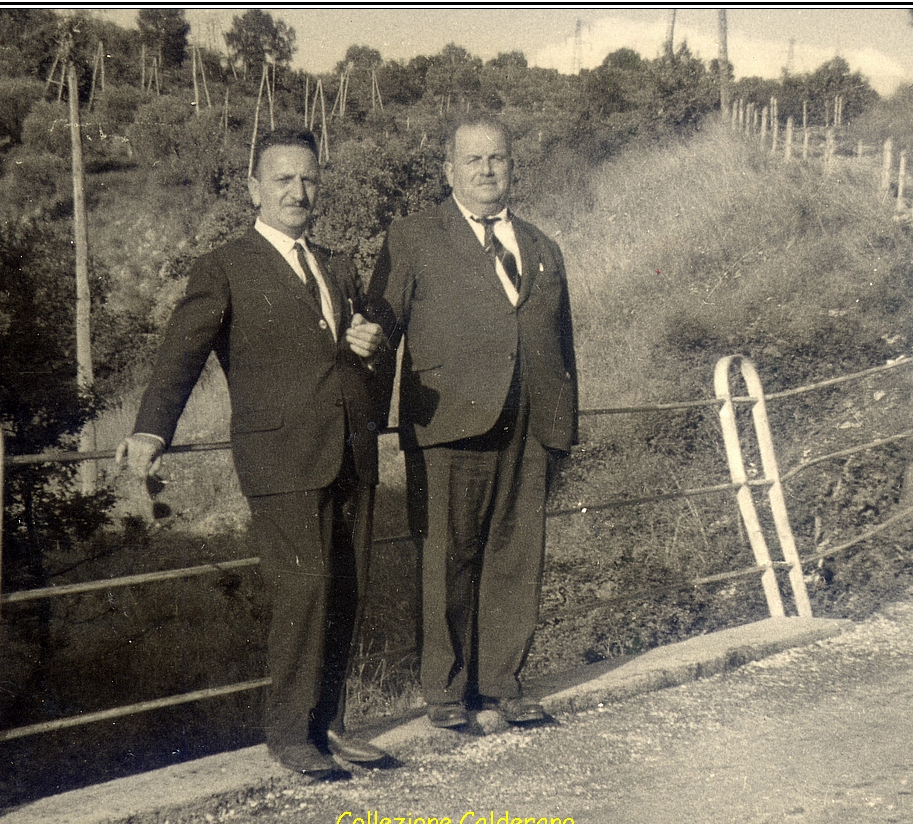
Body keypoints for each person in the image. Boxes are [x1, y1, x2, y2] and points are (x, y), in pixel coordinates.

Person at [116, 129, 391, 781]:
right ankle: (289, 733)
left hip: (351, 449)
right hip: (281, 458)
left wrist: (369, 341)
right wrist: (153, 429)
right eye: (284, 180)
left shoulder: (334, 263)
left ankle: (328, 726)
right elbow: (181, 353)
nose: (299, 192)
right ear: (254, 190)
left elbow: (353, 351)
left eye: (310, 180)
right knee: (304, 587)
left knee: (346, 591)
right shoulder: (225, 265)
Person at [365, 117, 578, 729]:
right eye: (474, 160)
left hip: (530, 427)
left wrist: (563, 426)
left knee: (516, 557)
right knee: (447, 561)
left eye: (499, 159)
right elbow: (380, 332)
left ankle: (503, 683)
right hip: (448, 427)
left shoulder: (540, 246)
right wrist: (369, 428)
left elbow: (560, 343)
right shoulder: (412, 238)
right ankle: (448, 692)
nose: (487, 171)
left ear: (513, 166)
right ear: (448, 171)